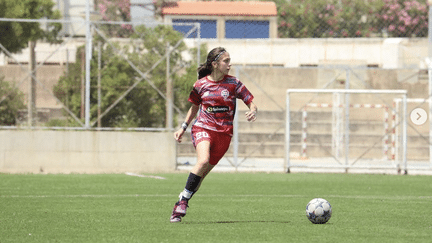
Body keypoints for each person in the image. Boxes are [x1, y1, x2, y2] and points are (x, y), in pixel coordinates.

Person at [170, 47, 258, 223]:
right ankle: (182, 202)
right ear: (215, 64)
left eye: (229, 60)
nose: (229, 64)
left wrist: (253, 110)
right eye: (226, 61)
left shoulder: (234, 83)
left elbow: (250, 101)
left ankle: (183, 197)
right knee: (202, 161)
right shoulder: (200, 85)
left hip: (224, 135)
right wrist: (183, 127)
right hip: (203, 128)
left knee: (201, 175)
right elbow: (194, 107)